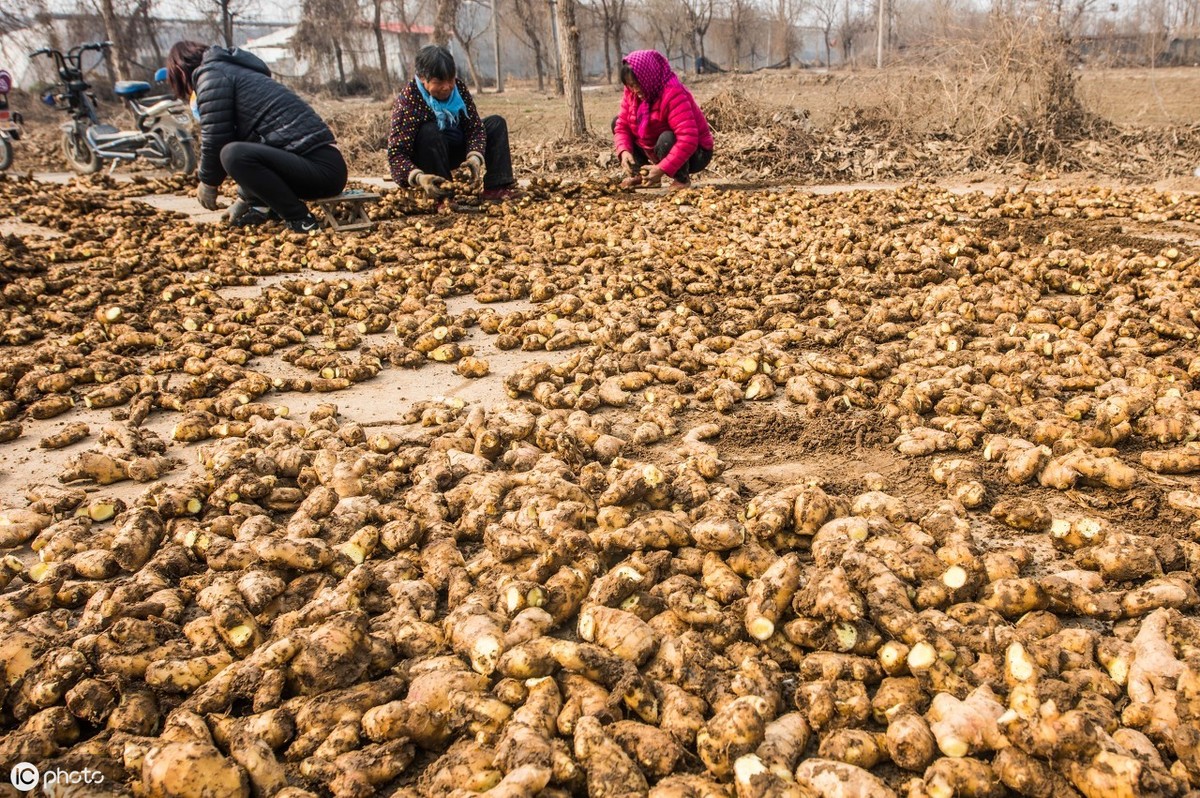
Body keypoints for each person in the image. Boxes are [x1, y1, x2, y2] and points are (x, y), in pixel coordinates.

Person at [164, 41, 347, 232]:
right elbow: (259, 149)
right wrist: (246, 199)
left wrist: (209, 182)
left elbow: (216, 138)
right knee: (237, 150)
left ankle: (301, 219)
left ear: (180, 71)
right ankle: (266, 210)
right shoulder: (230, 71)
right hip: (320, 168)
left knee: (231, 153)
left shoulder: (211, 75)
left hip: (321, 170)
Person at [387, 45, 515, 201]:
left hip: (454, 148)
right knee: (429, 131)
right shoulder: (409, 100)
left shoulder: (459, 89)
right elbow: (396, 154)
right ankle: (442, 195)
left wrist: (475, 157)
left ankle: (496, 188)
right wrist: (419, 177)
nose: (446, 87)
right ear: (422, 78)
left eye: (450, 79)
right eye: (438, 82)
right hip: (428, 156)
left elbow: (474, 128)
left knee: (496, 123)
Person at [613, 50, 713, 191]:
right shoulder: (631, 93)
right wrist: (624, 151)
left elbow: (688, 139)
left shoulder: (673, 93)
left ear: (647, 78)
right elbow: (622, 127)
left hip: (697, 153)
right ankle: (644, 176)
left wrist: (661, 169)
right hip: (656, 147)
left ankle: (681, 179)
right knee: (616, 122)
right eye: (630, 85)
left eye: (637, 84)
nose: (634, 90)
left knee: (667, 138)